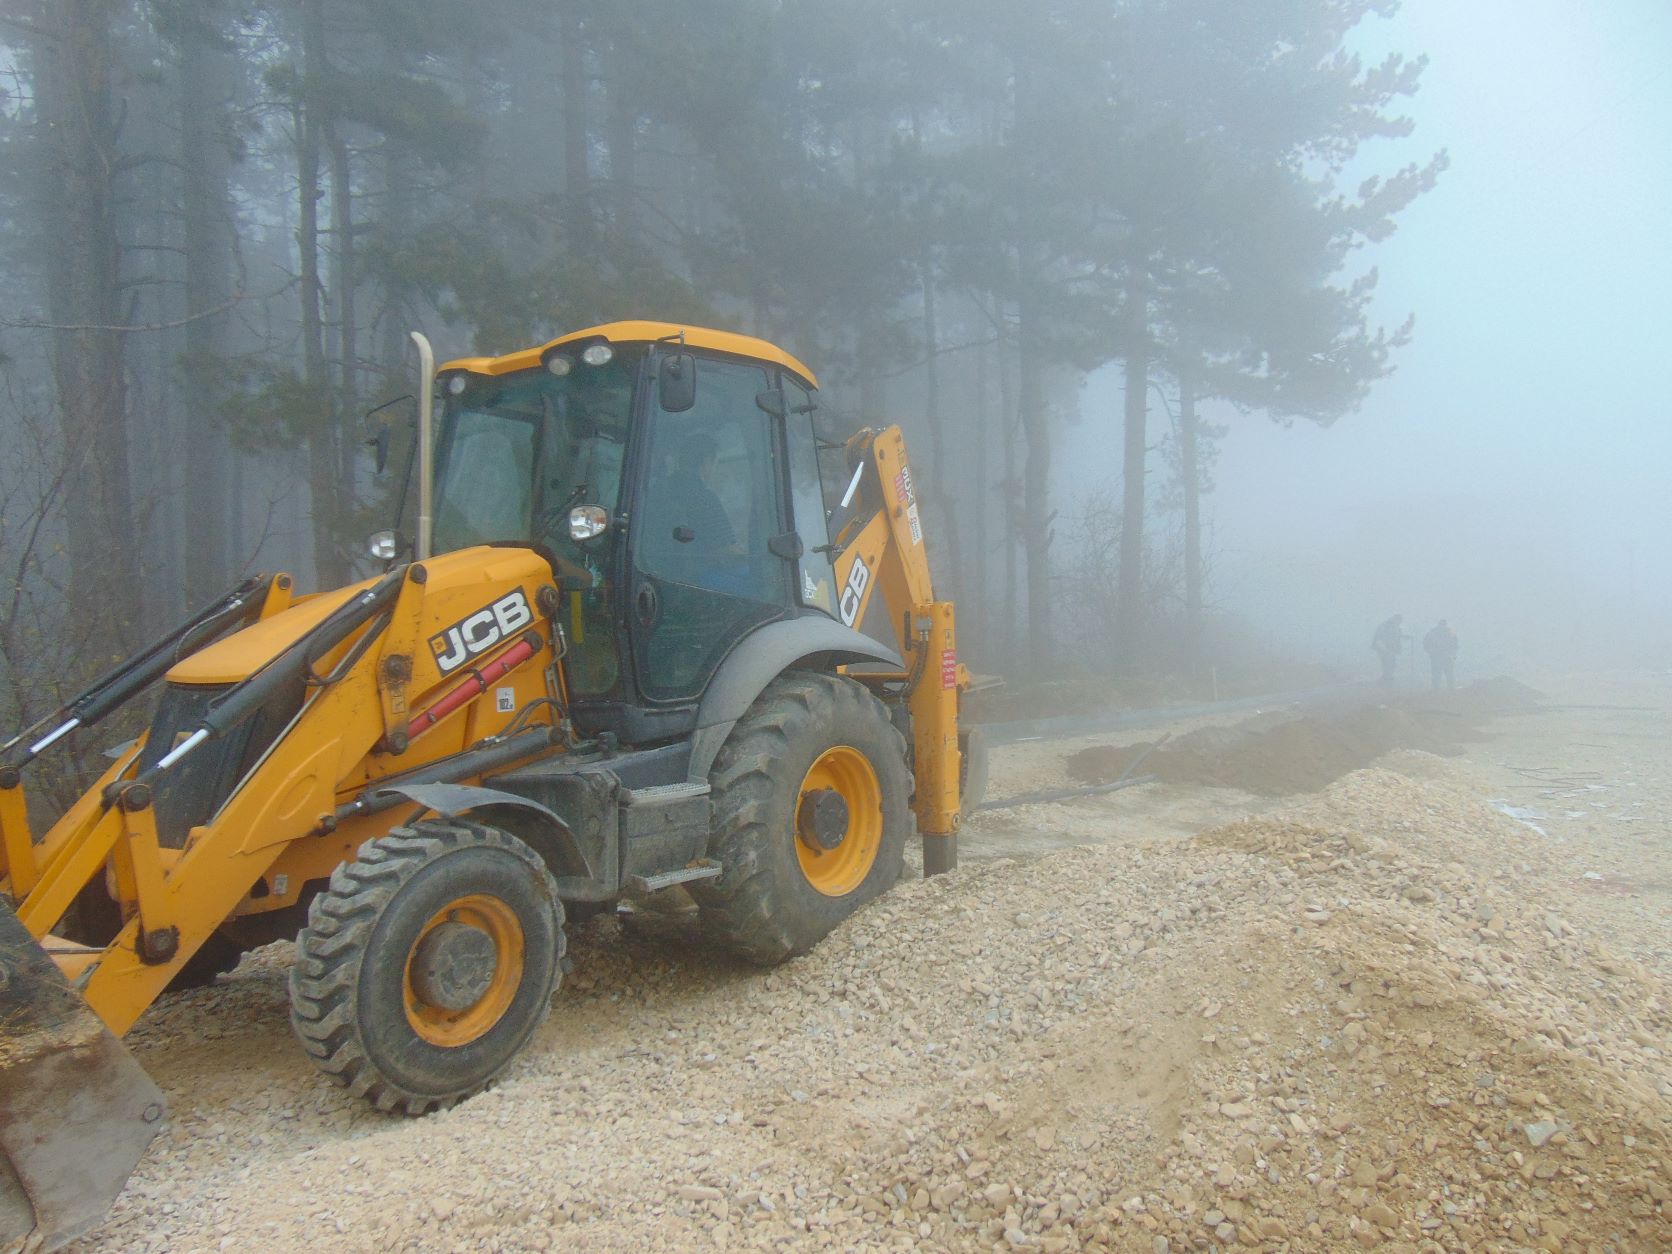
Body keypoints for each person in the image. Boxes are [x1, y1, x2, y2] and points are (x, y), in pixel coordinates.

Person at [1424, 619, 1459, 691]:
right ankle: (1450, 688)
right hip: (1447, 656)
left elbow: (1426, 643)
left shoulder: (1432, 632)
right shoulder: (1450, 632)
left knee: (1437, 673)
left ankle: (1436, 689)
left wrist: (1430, 653)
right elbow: (1455, 644)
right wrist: (1453, 654)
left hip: (1437, 656)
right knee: (1449, 673)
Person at [1372, 613, 1403, 687]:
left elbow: (1397, 638)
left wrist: (1398, 647)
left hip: (1390, 649)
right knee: (1387, 664)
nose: (1399, 623)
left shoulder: (1396, 627)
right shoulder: (1385, 626)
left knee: (1391, 664)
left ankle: (1387, 679)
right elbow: (1379, 638)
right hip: (1384, 648)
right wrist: (1383, 648)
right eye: (1399, 621)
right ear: (1395, 619)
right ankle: (1386, 681)